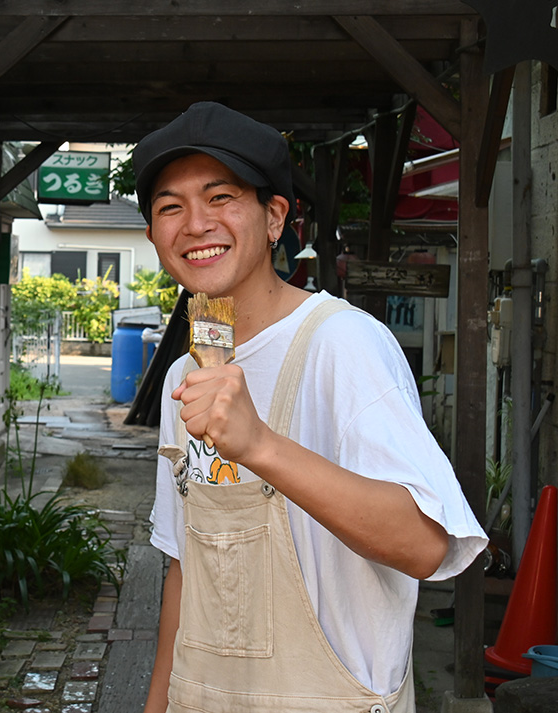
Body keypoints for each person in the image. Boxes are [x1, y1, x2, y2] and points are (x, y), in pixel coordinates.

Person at [136, 102, 487, 713]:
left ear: (275, 218)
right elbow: (183, 570)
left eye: (221, 197)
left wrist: (262, 447)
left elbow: (430, 544)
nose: (195, 224)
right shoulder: (184, 375)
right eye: (170, 206)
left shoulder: (342, 344)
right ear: (152, 235)